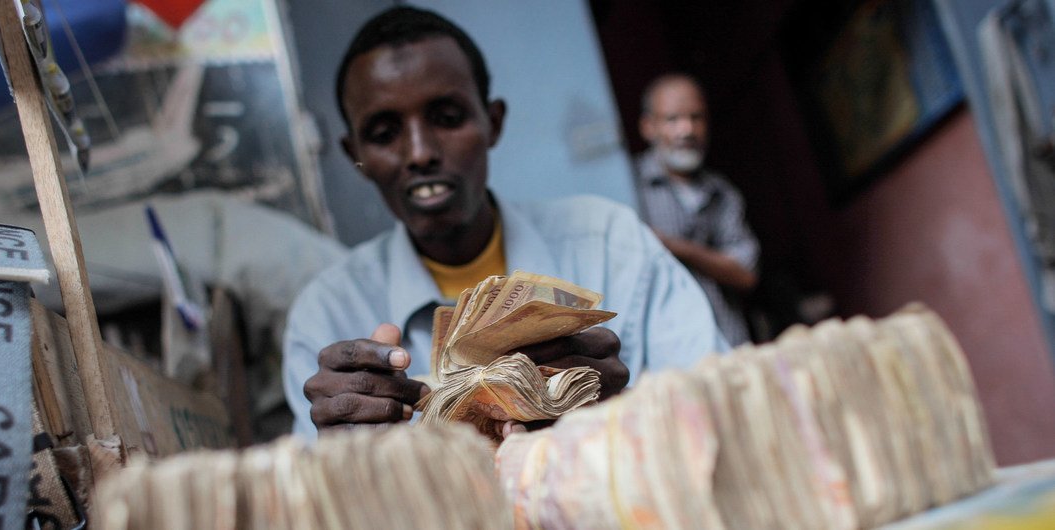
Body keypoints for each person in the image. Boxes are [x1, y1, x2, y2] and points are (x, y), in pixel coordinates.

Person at [282, 6, 725, 438]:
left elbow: (723, 408)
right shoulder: (325, 315)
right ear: (355, 156)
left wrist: (616, 414)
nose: (419, 152)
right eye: (383, 134)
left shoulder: (613, 245)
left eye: (447, 118)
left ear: (492, 123)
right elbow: (319, 503)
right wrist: (345, 459)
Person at [636, 74, 760, 346]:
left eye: (696, 118)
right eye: (672, 120)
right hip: (667, 353)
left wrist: (674, 246)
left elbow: (746, 273)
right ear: (648, 127)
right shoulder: (631, 186)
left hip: (729, 342)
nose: (687, 130)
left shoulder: (722, 192)